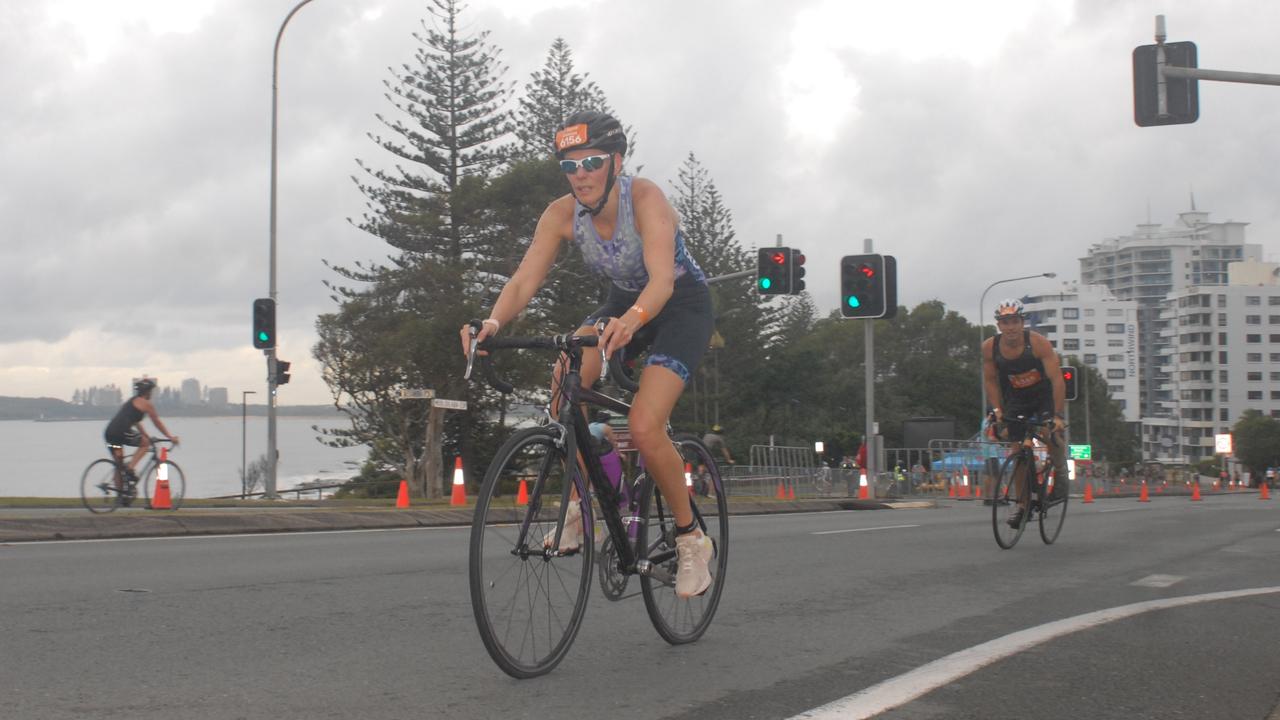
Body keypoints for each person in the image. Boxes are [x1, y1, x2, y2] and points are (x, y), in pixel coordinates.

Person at [460, 111, 715, 598]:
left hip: (679, 305)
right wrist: (491, 323)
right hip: (622, 306)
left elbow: (661, 280)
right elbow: (524, 280)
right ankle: (592, 496)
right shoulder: (561, 214)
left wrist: (635, 320)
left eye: (592, 162)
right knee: (564, 387)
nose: (581, 175)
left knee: (643, 425)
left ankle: (690, 538)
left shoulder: (644, 198)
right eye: (570, 166)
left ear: (615, 161)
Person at [982, 298, 1069, 527]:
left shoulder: (1038, 344)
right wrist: (998, 410)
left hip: (1043, 397)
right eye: (1005, 322)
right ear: (999, 325)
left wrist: (1057, 415)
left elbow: (1058, 380)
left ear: (1022, 323)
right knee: (1018, 450)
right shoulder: (990, 347)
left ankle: (1060, 478)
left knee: (1051, 434)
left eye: (1014, 321)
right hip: (1017, 399)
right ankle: (1023, 505)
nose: (1010, 327)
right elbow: (990, 381)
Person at [103, 378, 180, 498]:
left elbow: (136, 422)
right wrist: (170, 437)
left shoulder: (132, 402)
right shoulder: (146, 404)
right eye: (151, 392)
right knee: (145, 444)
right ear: (147, 392)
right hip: (121, 432)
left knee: (119, 465)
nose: (152, 394)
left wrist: (145, 435)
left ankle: (121, 497)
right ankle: (130, 468)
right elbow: (157, 422)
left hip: (110, 433)